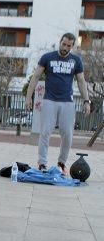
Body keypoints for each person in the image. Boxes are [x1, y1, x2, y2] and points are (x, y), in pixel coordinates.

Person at [25, 32, 91, 174]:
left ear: (72, 46)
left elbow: (81, 81)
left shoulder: (76, 61)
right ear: (60, 42)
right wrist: (28, 97)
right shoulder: (47, 57)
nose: (65, 47)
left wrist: (87, 101)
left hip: (67, 102)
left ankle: (61, 163)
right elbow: (36, 77)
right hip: (49, 100)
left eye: (68, 46)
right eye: (63, 44)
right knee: (45, 132)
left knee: (67, 134)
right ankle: (42, 163)